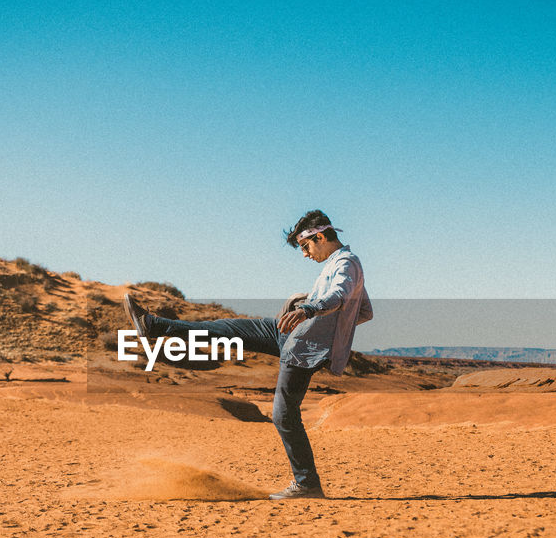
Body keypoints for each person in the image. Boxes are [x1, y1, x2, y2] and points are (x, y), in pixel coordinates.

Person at [122, 209, 372, 500]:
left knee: (283, 415)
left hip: (305, 349)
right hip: (287, 333)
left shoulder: (346, 263)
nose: (305, 255)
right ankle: (153, 325)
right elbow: (363, 310)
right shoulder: (338, 264)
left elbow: (340, 295)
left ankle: (307, 485)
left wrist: (311, 312)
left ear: (319, 236)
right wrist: (325, 317)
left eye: (305, 247)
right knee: (226, 328)